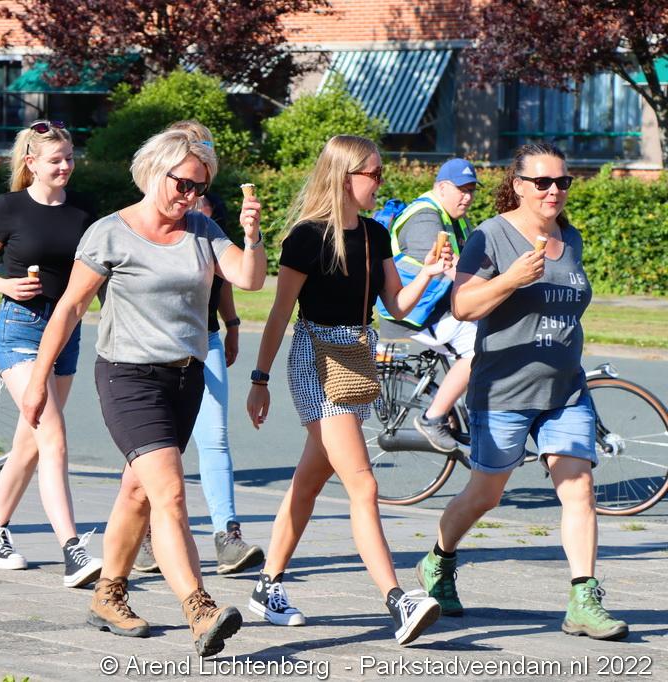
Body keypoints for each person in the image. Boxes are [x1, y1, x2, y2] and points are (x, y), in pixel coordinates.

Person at [21, 129, 266, 657]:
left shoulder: (201, 228)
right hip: (128, 378)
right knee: (170, 493)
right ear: (156, 172)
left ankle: (108, 596)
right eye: (183, 184)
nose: (191, 197)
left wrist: (252, 235)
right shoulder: (110, 234)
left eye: (200, 188)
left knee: (138, 491)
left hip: (185, 378)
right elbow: (69, 308)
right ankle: (199, 607)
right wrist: (38, 379)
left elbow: (248, 279)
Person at [417, 142, 628, 641]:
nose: (554, 191)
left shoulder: (569, 237)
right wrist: (510, 279)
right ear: (518, 185)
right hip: (504, 392)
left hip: (565, 390)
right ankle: (438, 560)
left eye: (562, 182)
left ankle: (583, 600)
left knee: (578, 489)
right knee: (485, 495)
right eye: (543, 182)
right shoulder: (490, 236)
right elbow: (464, 306)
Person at [245, 135, 448, 645]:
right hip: (316, 361)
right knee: (364, 484)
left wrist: (427, 273)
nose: (381, 182)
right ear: (344, 176)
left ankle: (267, 585)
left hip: (356, 360)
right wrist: (259, 379)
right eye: (373, 174)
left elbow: (396, 307)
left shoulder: (376, 234)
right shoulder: (306, 238)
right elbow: (279, 314)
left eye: (380, 173)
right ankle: (398, 600)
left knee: (308, 482)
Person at [0, 119, 102, 588]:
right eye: (55, 160)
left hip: (66, 333)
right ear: (31, 163)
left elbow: (96, 274)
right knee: (53, 435)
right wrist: (5, 285)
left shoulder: (85, 210)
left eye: (69, 158)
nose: (65, 166)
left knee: (30, 441)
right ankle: (72, 549)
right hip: (20, 329)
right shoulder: (9, 208)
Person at [133, 121, 263, 576]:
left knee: (215, 438)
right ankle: (145, 535)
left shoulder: (210, 212)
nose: (193, 189)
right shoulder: (143, 214)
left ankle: (227, 534)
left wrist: (232, 324)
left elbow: (222, 274)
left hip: (204, 339)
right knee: (157, 449)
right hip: (152, 350)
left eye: (207, 147)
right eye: (194, 148)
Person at [379, 159, 479, 453]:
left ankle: (473, 415)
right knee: (479, 349)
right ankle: (432, 418)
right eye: (462, 189)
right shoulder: (425, 219)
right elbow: (451, 268)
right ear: (442, 187)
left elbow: (476, 262)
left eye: (472, 190)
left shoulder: (455, 216)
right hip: (413, 313)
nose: (468, 197)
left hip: (437, 307)